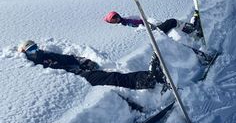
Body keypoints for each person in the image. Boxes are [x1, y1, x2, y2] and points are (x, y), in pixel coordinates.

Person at [18, 40, 168, 90]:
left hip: (79, 75)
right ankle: (146, 79)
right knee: (112, 78)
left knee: (111, 77)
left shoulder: (46, 55)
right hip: (74, 82)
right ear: (25, 53)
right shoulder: (34, 67)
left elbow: (68, 58)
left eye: (36, 47)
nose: (36, 51)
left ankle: (147, 77)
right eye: (31, 50)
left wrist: (85, 62)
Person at [103, 11, 202, 37]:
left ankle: (190, 29)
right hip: (155, 32)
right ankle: (193, 29)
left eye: (116, 16)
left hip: (154, 28)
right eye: (113, 19)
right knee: (172, 22)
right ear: (111, 22)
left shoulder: (125, 20)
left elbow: (141, 21)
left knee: (171, 23)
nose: (116, 18)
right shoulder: (125, 23)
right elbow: (139, 29)